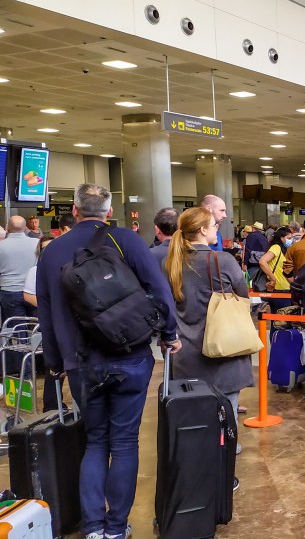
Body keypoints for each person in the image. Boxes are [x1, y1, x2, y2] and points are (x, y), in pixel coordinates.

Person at [37, 184, 181, 539]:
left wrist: (55, 362)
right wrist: (169, 334)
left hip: (80, 361)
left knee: (96, 440)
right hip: (129, 355)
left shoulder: (53, 252)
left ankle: (94, 527)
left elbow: (47, 313)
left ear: (74, 210)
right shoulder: (125, 240)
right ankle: (117, 527)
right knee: (124, 442)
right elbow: (159, 291)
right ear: (109, 209)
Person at [163, 207, 253, 451]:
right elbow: (242, 295)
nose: (217, 229)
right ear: (202, 230)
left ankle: (199, 454)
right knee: (227, 408)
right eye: (214, 225)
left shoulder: (171, 262)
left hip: (184, 351)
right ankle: (225, 460)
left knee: (194, 409)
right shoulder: (221, 260)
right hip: (223, 348)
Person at [21, 233, 57, 413]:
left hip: (63, 320)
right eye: (44, 248)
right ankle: (51, 405)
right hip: (47, 320)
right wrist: (47, 306)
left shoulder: (64, 267)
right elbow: (27, 295)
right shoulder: (35, 271)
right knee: (53, 363)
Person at [0, 216, 40, 321]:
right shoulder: (36, 244)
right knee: (35, 326)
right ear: (25, 227)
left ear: (8, 227)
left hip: (9, 291)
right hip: (33, 292)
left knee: (15, 328)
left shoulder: (1, 246)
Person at [258, 226, 294, 309]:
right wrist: (273, 278)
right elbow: (262, 261)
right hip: (279, 289)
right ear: (281, 238)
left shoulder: (284, 249)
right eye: (288, 238)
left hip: (284, 288)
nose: (290, 240)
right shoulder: (276, 247)